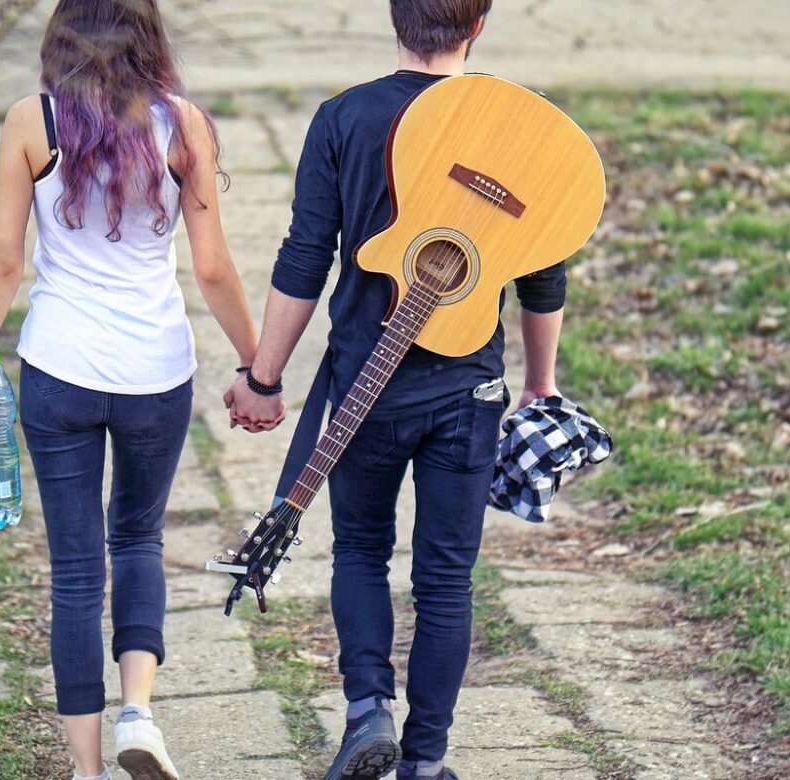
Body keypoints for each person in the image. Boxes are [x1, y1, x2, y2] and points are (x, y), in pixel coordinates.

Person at [225, 2, 565, 778]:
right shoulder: (514, 126)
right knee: (446, 581)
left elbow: (304, 256)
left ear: (393, 15)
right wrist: (540, 385)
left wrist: (264, 377)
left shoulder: (344, 118)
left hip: (363, 387)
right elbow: (544, 276)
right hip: (468, 391)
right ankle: (426, 761)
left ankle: (366, 711)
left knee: (360, 551)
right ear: (478, 24)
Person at [0, 2, 258, 778]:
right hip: (155, 372)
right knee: (139, 539)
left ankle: (88, 772)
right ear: (149, 37)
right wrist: (258, 365)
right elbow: (213, 267)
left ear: (61, 36)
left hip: (59, 371)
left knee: (76, 573)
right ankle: (138, 714)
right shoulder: (182, 124)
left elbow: (4, 259)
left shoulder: (32, 120)